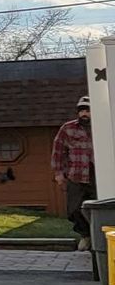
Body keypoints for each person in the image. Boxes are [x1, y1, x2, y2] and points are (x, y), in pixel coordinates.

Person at [51, 95, 97, 253]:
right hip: (75, 174)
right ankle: (86, 234)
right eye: (82, 110)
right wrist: (58, 173)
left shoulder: (103, 125)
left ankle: (97, 237)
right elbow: (58, 151)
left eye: (88, 110)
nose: (84, 113)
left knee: (97, 208)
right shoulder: (68, 128)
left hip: (97, 175)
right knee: (74, 209)